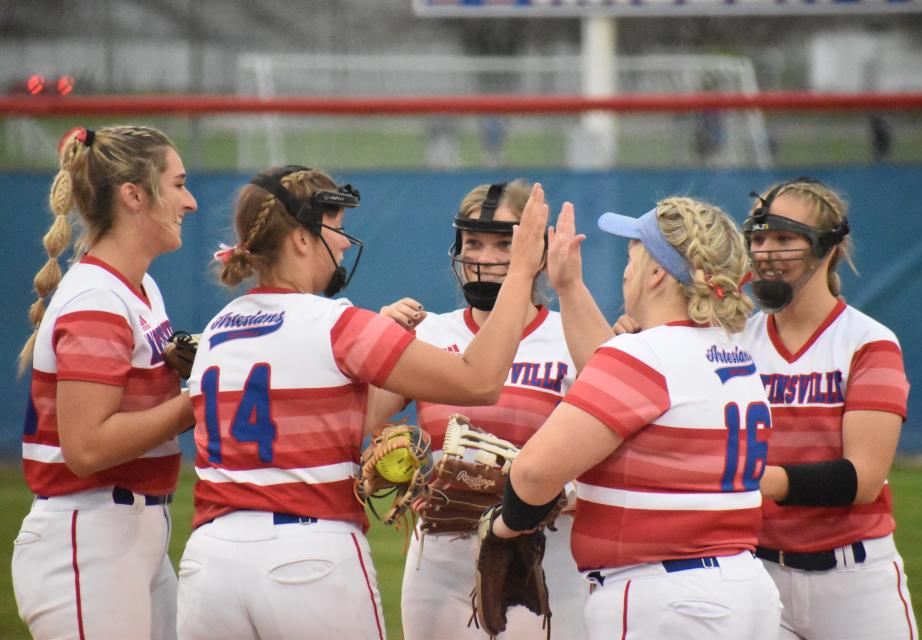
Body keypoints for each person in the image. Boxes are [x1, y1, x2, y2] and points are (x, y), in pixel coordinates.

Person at [174, 166, 548, 640]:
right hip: (307, 556)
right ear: (301, 239)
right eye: (334, 224)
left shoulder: (219, 328)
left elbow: (348, 414)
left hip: (209, 561)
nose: (346, 242)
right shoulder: (338, 323)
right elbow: (480, 381)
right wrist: (521, 271)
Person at [485, 197, 783, 639]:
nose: (627, 271)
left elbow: (531, 474)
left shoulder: (646, 355)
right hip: (742, 588)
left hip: (665, 598)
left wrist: (504, 526)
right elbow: (617, 394)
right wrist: (569, 287)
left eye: (632, 257)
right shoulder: (733, 353)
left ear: (658, 273)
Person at [370, 180, 589, 639]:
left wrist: (548, 491)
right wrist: (372, 345)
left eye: (503, 243)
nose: (484, 257)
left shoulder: (570, 335)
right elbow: (364, 420)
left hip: (543, 557)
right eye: (473, 243)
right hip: (441, 554)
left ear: (533, 250)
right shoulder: (427, 331)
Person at [13, 125, 198, 639]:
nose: (191, 202)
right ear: (134, 195)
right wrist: (196, 401)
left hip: (128, 530)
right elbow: (87, 448)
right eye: (179, 184)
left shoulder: (138, 285)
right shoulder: (97, 299)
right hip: (88, 535)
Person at [739, 177, 918, 639]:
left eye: (783, 238)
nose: (766, 252)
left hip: (854, 580)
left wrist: (751, 480)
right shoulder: (734, 341)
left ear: (827, 248)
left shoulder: (867, 342)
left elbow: (862, 477)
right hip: (757, 577)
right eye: (758, 238)